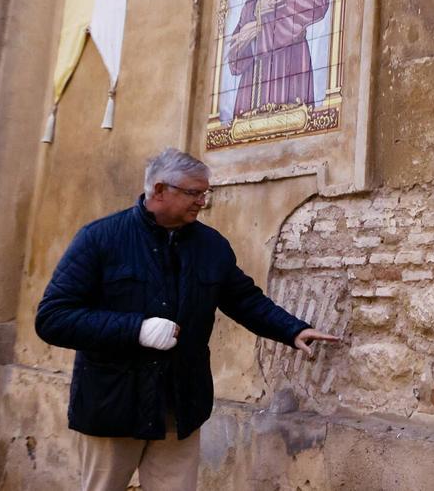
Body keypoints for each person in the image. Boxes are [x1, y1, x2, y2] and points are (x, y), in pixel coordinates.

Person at [35, 148, 339, 491]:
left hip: (179, 405)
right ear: (159, 190)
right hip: (114, 404)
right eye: (194, 193)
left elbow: (244, 300)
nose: (202, 202)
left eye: (205, 193)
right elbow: (53, 318)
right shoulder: (100, 239)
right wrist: (136, 329)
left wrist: (293, 330)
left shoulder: (211, 246)